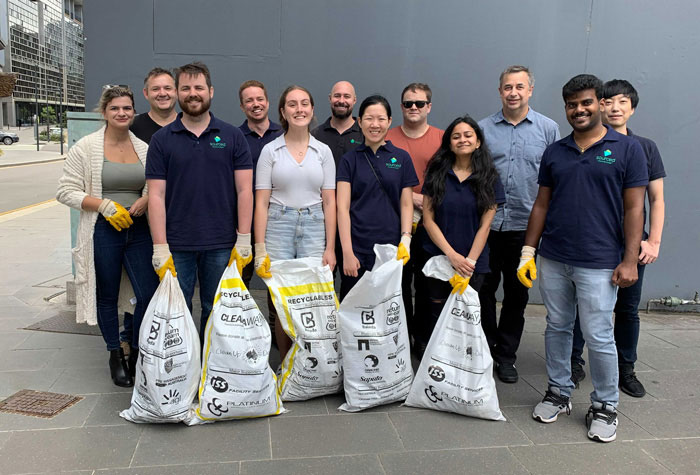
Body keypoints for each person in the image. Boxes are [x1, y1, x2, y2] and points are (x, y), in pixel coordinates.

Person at [521, 74, 648, 443]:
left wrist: (629, 260)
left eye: (587, 102)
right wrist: (529, 251)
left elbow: (635, 208)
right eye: (572, 104)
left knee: (598, 334)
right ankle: (559, 391)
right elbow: (541, 203)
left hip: (600, 260)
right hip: (555, 257)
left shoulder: (626, 149)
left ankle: (605, 404)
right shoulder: (556, 151)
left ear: (601, 104)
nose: (579, 110)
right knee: (558, 327)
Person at [57, 86, 159, 387]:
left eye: (127, 108)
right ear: (104, 112)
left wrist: (145, 198)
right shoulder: (86, 148)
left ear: (133, 111)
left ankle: (138, 352)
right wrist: (104, 205)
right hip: (103, 229)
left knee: (147, 294)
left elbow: (154, 183)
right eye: (115, 108)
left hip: (139, 228)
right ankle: (115, 354)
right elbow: (66, 190)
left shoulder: (143, 147)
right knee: (107, 294)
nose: (122, 113)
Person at [570, 79, 666, 397]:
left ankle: (626, 369)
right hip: (593, 243)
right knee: (582, 305)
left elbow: (657, 200)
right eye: (608, 101)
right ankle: (573, 363)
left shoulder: (643, 147)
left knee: (627, 308)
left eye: (622, 102)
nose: (614, 107)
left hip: (632, 243)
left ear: (632, 108)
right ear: (598, 105)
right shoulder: (585, 142)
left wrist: (654, 242)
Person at [146, 62, 254, 342]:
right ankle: (183, 374)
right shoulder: (161, 140)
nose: (193, 93)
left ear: (211, 91)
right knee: (176, 311)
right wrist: (160, 247)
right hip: (176, 244)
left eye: (198, 87)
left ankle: (211, 368)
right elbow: (155, 195)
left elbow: (245, 190)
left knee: (216, 309)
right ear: (178, 94)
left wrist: (244, 239)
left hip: (220, 243)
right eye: (186, 88)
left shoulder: (233, 137)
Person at [477, 65, 560, 383]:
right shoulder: (483, 129)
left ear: (530, 91)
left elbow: (555, 180)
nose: (513, 92)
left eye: (519, 87)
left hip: (526, 229)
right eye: (507, 87)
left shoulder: (548, 129)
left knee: (517, 294)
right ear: (500, 91)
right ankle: (484, 346)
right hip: (487, 225)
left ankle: (506, 355)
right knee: (482, 290)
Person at [253, 85, 336, 359]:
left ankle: (310, 364)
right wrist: (260, 246)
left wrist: (330, 247)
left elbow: (330, 202)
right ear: (282, 112)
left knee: (312, 299)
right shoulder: (270, 151)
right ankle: (287, 363)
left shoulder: (323, 151)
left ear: (312, 110)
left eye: (304, 104)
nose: (299, 109)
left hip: (314, 226)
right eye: (292, 104)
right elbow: (261, 202)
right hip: (279, 225)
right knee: (280, 301)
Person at [419, 115, 504, 356]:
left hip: (472, 264)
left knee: (466, 319)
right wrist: (452, 256)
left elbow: (485, 226)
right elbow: (428, 220)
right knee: (437, 316)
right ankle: (437, 365)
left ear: (478, 142)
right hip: (438, 259)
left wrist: (469, 263)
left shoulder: (489, 178)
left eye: (468, 135)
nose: (462, 140)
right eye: (456, 136)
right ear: (449, 143)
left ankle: (464, 369)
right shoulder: (437, 173)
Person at [336, 95, 418, 300]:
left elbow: (407, 203)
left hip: (391, 249)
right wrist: (347, 252)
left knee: (390, 308)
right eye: (369, 119)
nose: (375, 125)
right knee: (355, 308)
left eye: (381, 119)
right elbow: (342, 208)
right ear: (360, 121)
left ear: (389, 121)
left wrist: (405, 239)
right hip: (357, 248)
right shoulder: (349, 160)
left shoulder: (401, 158)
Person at [386, 83, 443, 341]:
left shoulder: (443, 139)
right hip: (396, 221)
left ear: (429, 107)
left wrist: (427, 200)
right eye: (408, 103)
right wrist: (412, 196)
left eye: (419, 103)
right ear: (401, 107)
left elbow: (449, 181)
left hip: (432, 222)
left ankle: (422, 338)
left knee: (426, 282)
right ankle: (402, 336)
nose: (413, 108)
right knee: (398, 282)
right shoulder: (387, 136)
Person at [312, 81, 364, 279]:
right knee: (323, 284)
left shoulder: (365, 134)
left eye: (346, 97)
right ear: (330, 99)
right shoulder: (315, 136)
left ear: (354, 100)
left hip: (356, 222)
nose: (341, 101)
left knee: (354, 285)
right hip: (321, 224)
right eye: (337, 96)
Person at [238, 80, 283, 288]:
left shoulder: (284, 135)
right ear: (242, 106)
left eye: (259, 99)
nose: (255, 104)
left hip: (277, 220)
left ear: (267, 102)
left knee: (276, 279)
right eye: (249, 101)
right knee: (240, 279)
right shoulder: (235, 138)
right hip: (243, 221)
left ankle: (275, 322)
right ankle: (240, 321)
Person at [130, 67, 177, 144]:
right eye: (155, 89)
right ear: (146, 93)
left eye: (167, 88)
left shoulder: (188, 125)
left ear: (176, 92)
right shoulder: (132, 127)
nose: (162, 93)